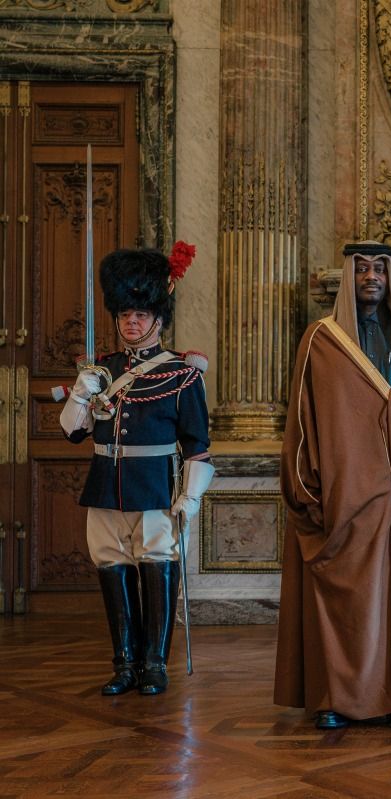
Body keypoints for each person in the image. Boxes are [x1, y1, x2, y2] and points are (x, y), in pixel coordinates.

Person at [274, 241, 391, 730]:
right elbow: (302, 423)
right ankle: (334, 698)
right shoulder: (321, 340)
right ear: (348, 274)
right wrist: (310, 493)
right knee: (350, 602)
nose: (371, 276)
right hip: (345, 496)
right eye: (361, 268)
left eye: (380, 268)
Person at [58, 243, 213, 697]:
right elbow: (72, 433)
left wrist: (191, 497)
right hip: (106, 487)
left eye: (141, 315)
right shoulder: (101, 371)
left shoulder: (182, 375)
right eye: (125, 314)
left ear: (159, 319)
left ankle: (154, 664)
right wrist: (80, 394)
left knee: (156, 565)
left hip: (155, 487)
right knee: (112, 566)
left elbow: (198, 446)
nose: (132, 322)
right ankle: (124, 663)